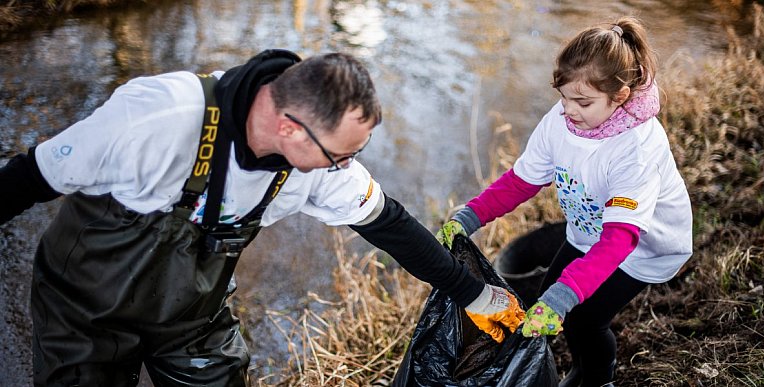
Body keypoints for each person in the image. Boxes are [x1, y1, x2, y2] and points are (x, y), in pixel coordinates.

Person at [0, 49, 525, 386]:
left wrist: (473, 293)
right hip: (86, 307)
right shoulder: (156, 117)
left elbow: (390, 224)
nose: (346, 168)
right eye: (339, 155)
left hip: (190, 314)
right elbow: (25, 179)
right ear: (292, 128)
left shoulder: (316, 164)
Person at [437, 17, 693, 387]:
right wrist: (471, 215)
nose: (569, 109)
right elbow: (522, 181)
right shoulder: (561, 121)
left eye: (582, 101)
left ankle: (596, 378)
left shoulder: (636, 147)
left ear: (619, 96)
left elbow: (620, 238)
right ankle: (577, 366)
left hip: (643, 249)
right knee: (547, 298)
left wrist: (567, 293)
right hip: (587, 234)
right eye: (564, 96)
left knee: (585, 319)